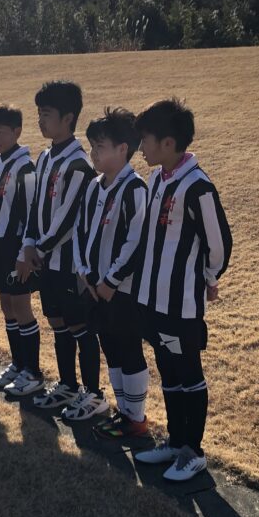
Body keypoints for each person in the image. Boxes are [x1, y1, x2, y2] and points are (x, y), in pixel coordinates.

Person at [131, 98, 233, 482]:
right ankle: (175, 442)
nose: (141, 148)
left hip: (181, 305)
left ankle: (193, 451)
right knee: (168, 369)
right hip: (151, 299)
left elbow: (219, 243)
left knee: (189, 372)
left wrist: (210, 277)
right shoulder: (158, 178)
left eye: (145, 140)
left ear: (168, 143)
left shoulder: (197, 186)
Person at [9, 81, 103, 422]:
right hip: (46, 261)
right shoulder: (46, 157)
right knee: (58, 323)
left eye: (46, 114)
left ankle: (93, 394)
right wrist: (28, 245)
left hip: (69, 263)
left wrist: (37, 249)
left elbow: (67, 221)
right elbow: (36, 207)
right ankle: (67, 385)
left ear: (68, 118)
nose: (40, 120)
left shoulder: (79, 163)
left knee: (79, 326)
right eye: (39, 114)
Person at [74, 108, 151, 438]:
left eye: (100, 146)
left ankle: (136, 419)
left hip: (122, 290)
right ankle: (123, 412)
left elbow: (136, 241)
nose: (93, 153)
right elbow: (80, 232)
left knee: (129, 350)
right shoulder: (94, 187)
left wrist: (111, 280)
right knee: (111, 349)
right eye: (91, 145)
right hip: (95, 287)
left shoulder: (135, 189)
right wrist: (86, 273)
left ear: (123, 148)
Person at [0, 104, 43, 391]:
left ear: (17, 131)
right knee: (6, 306)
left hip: (15, 245)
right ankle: (17, 364)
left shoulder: (25, 167)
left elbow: (31, 214)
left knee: (21, 306)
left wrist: (23, 254)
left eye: (1, 132)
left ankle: (33, 371)